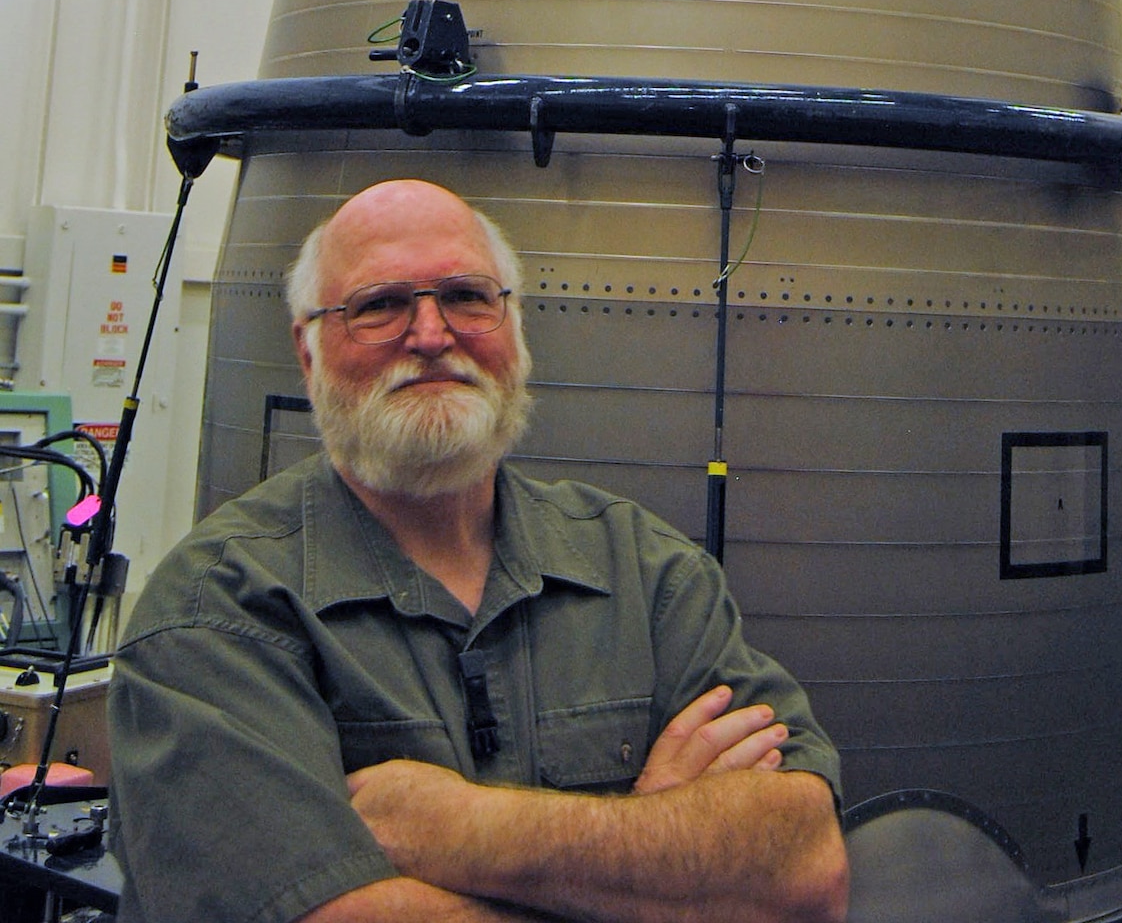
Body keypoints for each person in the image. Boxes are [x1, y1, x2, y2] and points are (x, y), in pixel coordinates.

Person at [109, 179, 848, 923]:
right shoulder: (218, 610)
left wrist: (462, 829)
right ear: (307, 351)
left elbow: (808, 870)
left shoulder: (645, 571)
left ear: (514, 327)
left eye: (466, 296)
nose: (431, 336)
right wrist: (656, 863)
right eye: (378, 306)